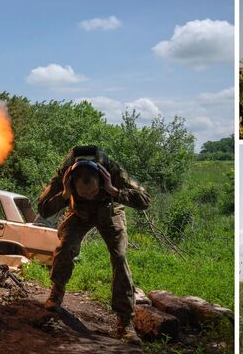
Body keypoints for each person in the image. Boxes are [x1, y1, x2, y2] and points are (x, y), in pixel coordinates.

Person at [38, 146, 150, 344]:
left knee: (120, 257)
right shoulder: (64, 173)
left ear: (102, 179)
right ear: (72, 183)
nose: (89, 196)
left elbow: (144, 200)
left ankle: (124, 323)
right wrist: (64, 195)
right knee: (66, 247)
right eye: (84, 193)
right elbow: (43, 208)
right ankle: (57, 291)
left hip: (110, 211)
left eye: (92, 192)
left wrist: (113, 191)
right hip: (78, 213)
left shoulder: (113, 170)